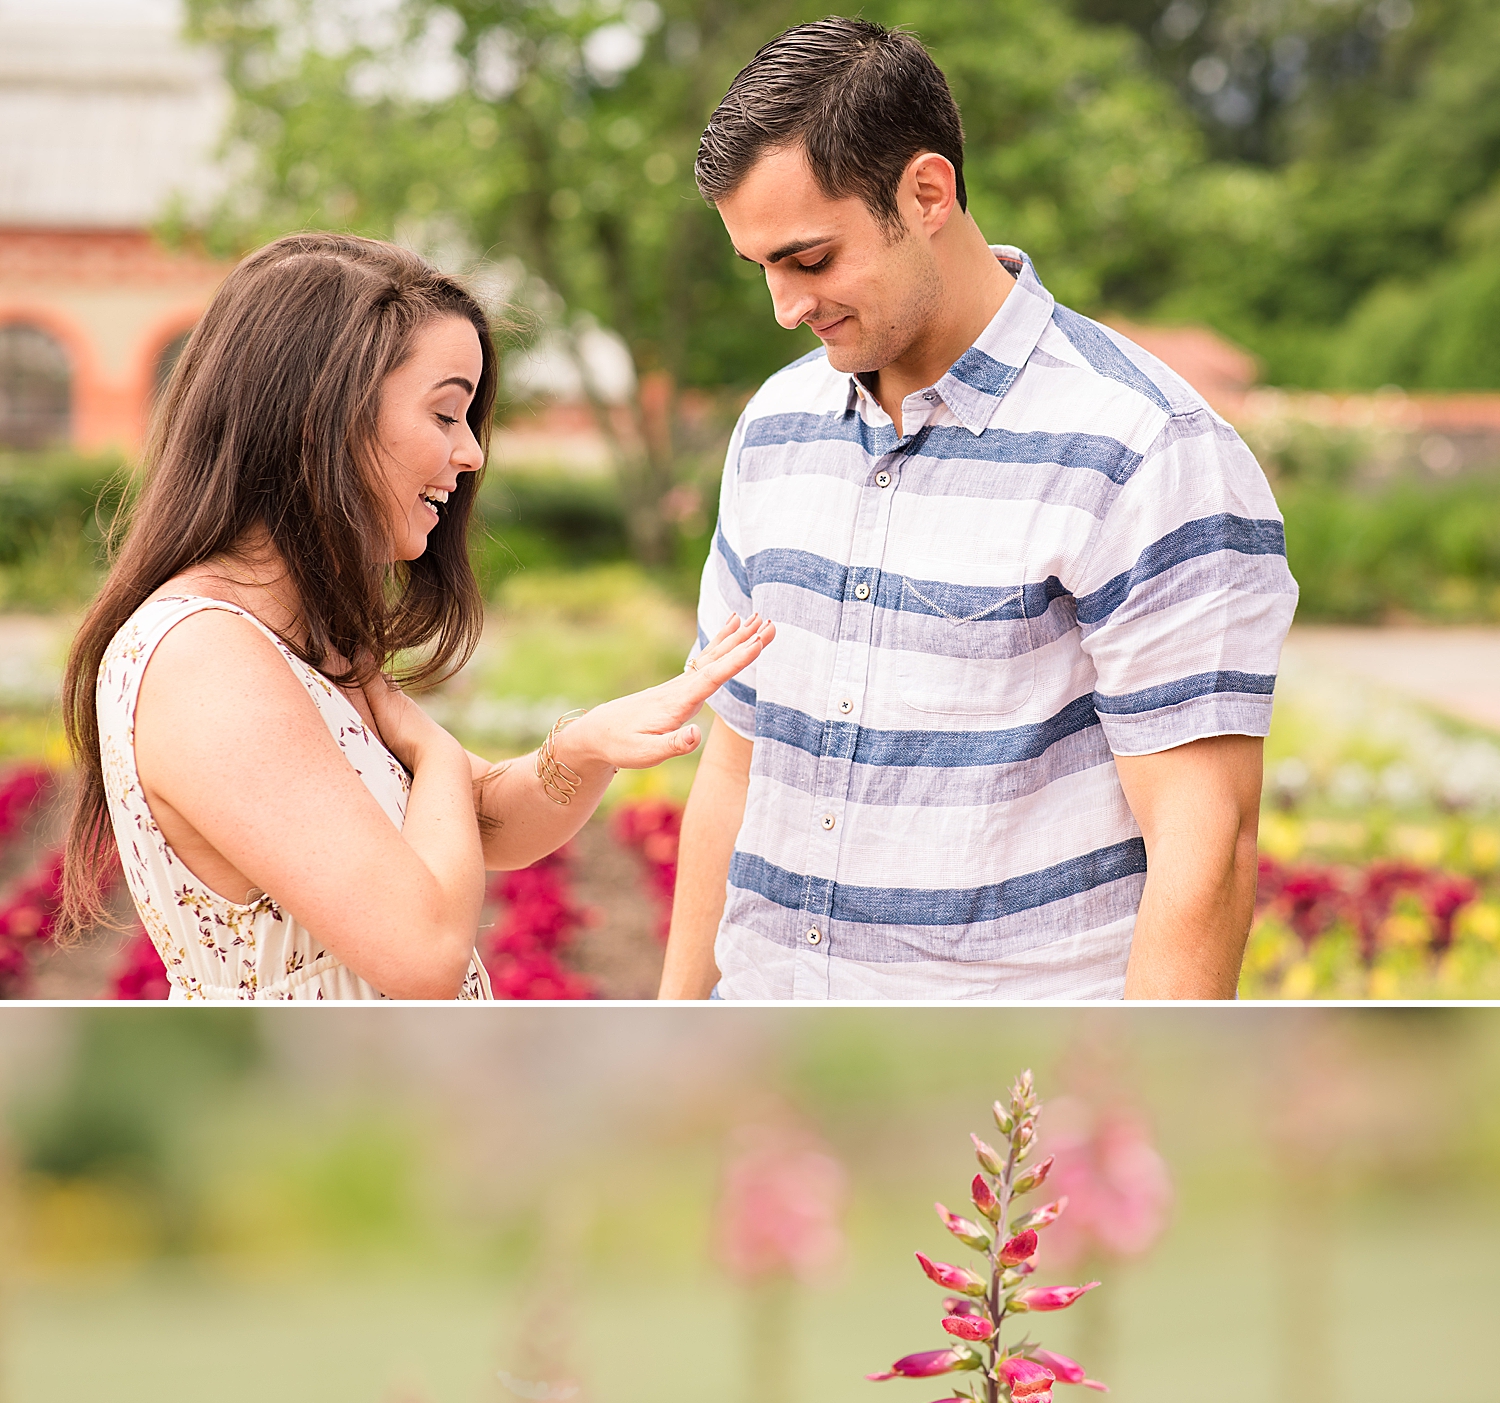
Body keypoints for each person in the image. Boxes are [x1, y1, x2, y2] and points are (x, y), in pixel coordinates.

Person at [659, 17, 1298, 1002]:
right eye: (763, 271)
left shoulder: (1145, 445)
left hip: (1006, 1097)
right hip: (769, 1064)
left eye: (810, 260)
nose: (784, 307)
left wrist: (1140, 1111)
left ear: (926, 195)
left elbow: (1204, 841)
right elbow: (737, 766)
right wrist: (677, 1030)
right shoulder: (775, 426)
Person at [61, 233, 770, 1001]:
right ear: (317, 416)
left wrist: (588, 742)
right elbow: (425, 948)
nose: (470, 454)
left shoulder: (289, 635)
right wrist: (431, 751)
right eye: (446, 414)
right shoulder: (204, 661)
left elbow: (487, 822)